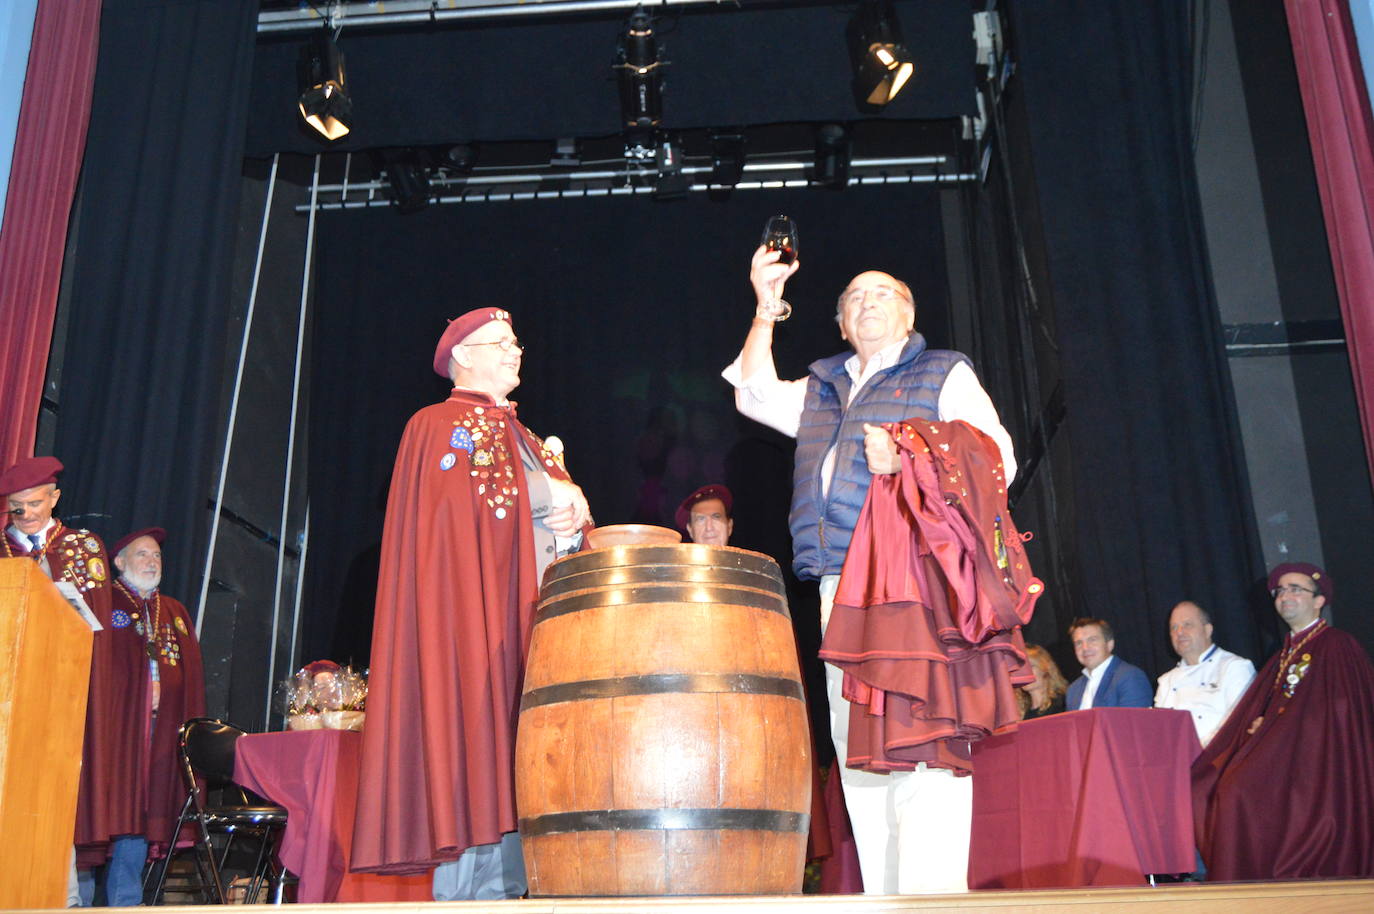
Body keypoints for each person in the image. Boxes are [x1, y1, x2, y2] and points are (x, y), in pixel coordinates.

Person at [722, 247, 1019, 894]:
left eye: (882, 292)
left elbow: (999, 459)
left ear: (909, 315)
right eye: (854, 297)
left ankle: (935, 902)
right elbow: (752, 393)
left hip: (915, 580)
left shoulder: (944, 372)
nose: (867, 302)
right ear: (839, 323)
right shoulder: (823, 387)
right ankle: (889, 899)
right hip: (837, 586)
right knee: (858, 749)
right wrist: (766, 305)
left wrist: (911, 451)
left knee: (922, 740)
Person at [352, 307, 592, 901]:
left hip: (532, 631)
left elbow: (549, 524)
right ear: (463, 356)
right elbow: (459, 522)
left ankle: (511, 889)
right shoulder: (438, 426)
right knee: (473, 747)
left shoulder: (529, 438)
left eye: (516, 343)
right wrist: (552, 492)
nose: (516, 351)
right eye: (501, 342)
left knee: (520, 761)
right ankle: (465, 895)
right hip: (470, 628)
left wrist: (569, 518)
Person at [1192, 563, 1374, 880]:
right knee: (1206, 782)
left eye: (1295, 589)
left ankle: (1262, 877)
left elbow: (1342, 713)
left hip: (1321, 759)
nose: (1285, 595)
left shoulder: (1336, 645)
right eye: (1280, 591)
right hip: (1284, 752)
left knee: (1238, 789)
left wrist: (1275, 730)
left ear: (1319, 601)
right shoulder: (1283, 655)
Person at [0, 456, 113, 906]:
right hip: (7, 692)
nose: (25, 513)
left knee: (51, 796)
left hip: (59, 695)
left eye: (33, 503)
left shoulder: (83, 547)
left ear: (55, 497)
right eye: (15, 506)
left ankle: (58, 899)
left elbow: (96, 622)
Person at [75, 527, 205, 906]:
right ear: (119, 562)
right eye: (142, 555)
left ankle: (125, 903)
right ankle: (73, 904)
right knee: (96, 808)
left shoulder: (175, 612)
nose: (152, 562)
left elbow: (191, 681)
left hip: (157, 737)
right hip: (109, 734)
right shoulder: (101, 602)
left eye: (157, 556)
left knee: (138, 813)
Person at [1153, 601, 1254, 746]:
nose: (1179, 632)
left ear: (1207, 630)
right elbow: (1159, 731)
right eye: (1174, 627)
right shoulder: (1166, 681)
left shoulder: (1234, 668)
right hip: (1176, 761)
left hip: (1219, 760)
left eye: (1187, 625)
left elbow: (1239, 725)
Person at [1063, 617, 1152, 710]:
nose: (1085, 648)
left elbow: (1134, 723)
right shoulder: (1073, 690)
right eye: (1079, 643)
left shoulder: (1130, 677)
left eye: (1092, 640)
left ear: (1110, 644)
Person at [1018, 644, 1068, 720]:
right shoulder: (1020, 713)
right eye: (1019, 668)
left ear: (1045, 668)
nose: (1024, 673)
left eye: (1030, 666)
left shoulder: (1063, 704)